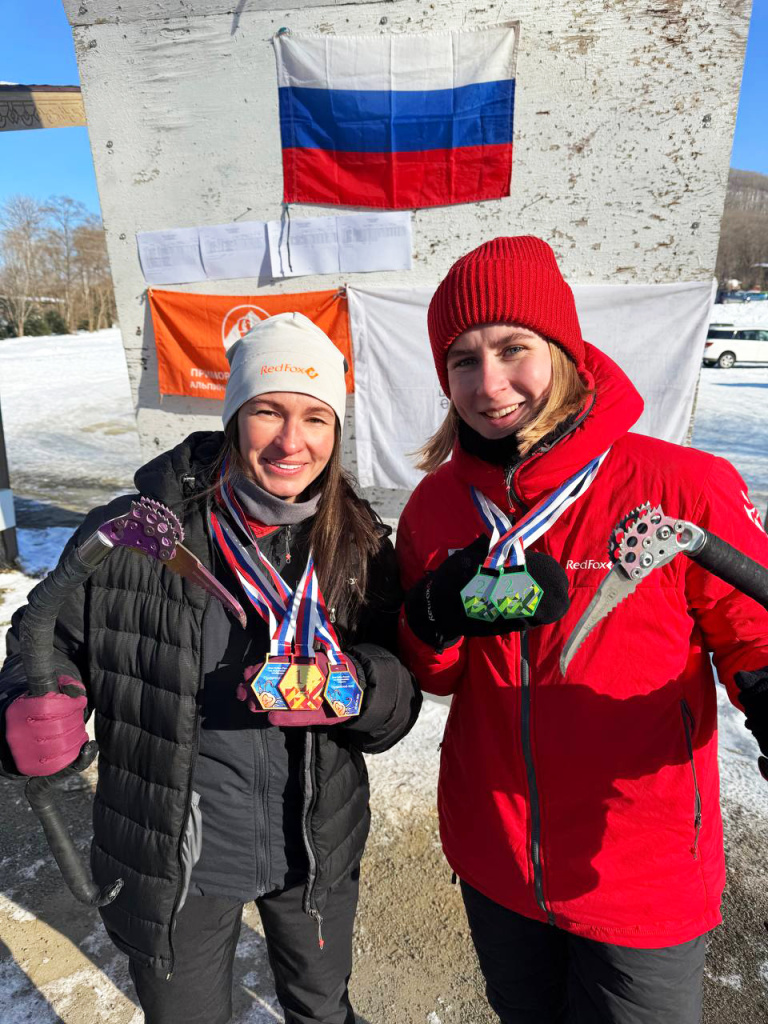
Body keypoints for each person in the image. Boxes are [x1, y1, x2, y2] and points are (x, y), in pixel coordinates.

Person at [0, 312, 421, 1024]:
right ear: (233, 416)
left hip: (313, 845)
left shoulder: (358, 543)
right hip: (176, 853)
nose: (294, 441)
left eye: (317, 418)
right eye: (268, 411)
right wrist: (36, 698)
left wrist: (364, 689)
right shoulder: (135, 531)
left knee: (323, 1009)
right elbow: (46, 639)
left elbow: (400, 687)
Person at [395, 236, 768, 1024]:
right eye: (462, 359)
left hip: (640, 867)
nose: (488, 382)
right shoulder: (434, 507)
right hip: (495, 851)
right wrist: (432, 618)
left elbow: (753, 634)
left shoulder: (681, 486)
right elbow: (436, 677)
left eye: (511, 349)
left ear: (562, 350)